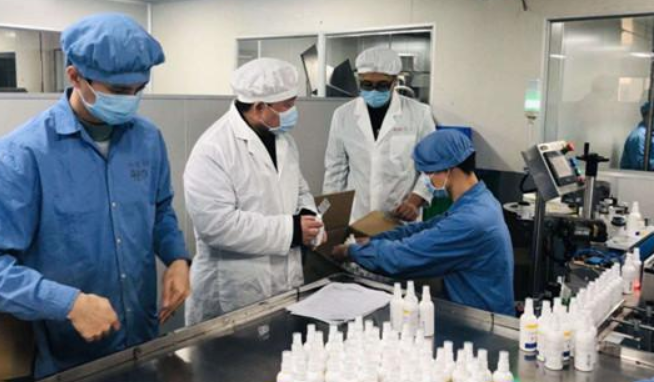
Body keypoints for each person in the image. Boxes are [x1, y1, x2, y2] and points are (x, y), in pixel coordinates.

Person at [0, 14, 191, 378]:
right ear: (74, 76)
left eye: (139, 89)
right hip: (70, 364)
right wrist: (68, 303)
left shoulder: (147, 140)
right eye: (118, 91)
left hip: (143, 343)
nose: (130, 101)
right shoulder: (23, 156)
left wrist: (177, 258)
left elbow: (161, 210)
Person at [183, 58, 324, 325]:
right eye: (287, 105)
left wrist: (308, 213)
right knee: (233, 351)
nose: (293, 111)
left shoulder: (283, 140)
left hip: (284, 281)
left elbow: (300, 189)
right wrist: (293, 230)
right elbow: (216, 225)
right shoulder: (214, 149)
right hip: (234, 290)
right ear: (259, 107)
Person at [332, 129, 515, 315]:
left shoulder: (470, 220)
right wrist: (374, 240)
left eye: (428, 173)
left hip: (482, 320)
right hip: (477, 306)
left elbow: (402, 258)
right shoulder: (480, 200)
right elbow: (425, 228)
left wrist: (351, 252)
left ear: (449, 169)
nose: (426, 180)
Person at [322, 46, 436, 223]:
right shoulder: (343, 115)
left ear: (395, 81)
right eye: (366, 85)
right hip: (357, 217)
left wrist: (415, 200)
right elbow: (335, 170)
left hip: (400, 217)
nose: (374, 91)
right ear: (359, 80)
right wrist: (330, 217)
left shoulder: (419, 114)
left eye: (382, 85)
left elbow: (433, 166)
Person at [620, 102, 654, 171]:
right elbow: (639, 164)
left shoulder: (650, 133)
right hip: (635, 177)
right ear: (646, 116)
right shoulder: (639, 136)